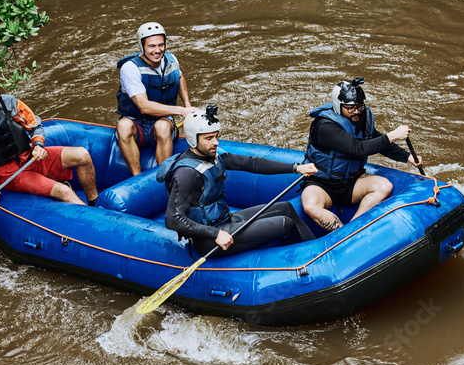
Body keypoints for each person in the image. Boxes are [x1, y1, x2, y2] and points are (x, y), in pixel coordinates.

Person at [158, 106, 319, 257]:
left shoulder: (213, 156)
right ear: (192, 140)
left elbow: (251, 163)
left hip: (226, 221)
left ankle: (314, 250)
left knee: (286, 208)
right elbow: (173, 219)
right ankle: (302, 260)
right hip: (210, 240)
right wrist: (215, 234)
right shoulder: (187, 174)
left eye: (216, 136)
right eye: (209, 138)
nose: (216, 142)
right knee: (285, 224)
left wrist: (296, 168)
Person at [0, 68, 98, 205]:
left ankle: (94, 204)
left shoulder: (10, 103)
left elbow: (34, 125)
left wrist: (38, 145)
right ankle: (96, 223)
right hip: (9, 174)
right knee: (64, 191)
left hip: (31, 157)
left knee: (82, 155)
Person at [301, 77, 423, 233]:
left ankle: (352, 230)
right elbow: (357, 148)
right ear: (339, 105)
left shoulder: (361, 117)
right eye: (351, 108)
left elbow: (375, 139)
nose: (357, 111)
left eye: (359, 106)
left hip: (350, 183)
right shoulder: (324, 126)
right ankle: (341, 234)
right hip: (321, 184)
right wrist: (394, 134)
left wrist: (407, 157)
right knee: (310, 204)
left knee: (384, 186)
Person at [116, 21, 195, 175]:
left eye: (161, 45)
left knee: (163, 127)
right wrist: (181, 110)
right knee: (123, 126)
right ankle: (137, 178)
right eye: (152, 46)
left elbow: (180, 79)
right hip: (136, 121)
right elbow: (143, 106)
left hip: (162, 121)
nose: (157, 50)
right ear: (142, 46)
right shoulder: (130, 68)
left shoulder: (171, 60)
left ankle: (163, 176)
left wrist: (187, 105)